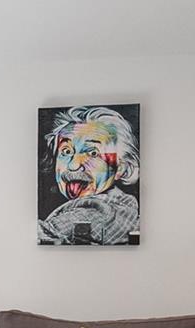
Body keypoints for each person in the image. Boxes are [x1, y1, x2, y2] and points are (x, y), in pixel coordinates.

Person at [39, 105, 140, 245]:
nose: (73, 165)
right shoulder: (126, 207)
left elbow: (46, 234)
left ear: (122, 168)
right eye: (66, 152)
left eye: (93, 153)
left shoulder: (101, 212)